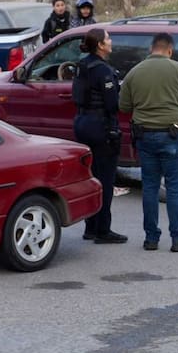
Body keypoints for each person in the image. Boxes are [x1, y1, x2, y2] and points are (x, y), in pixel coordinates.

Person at [118, 32, 178, 252]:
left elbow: (124, 107)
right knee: (174, 188)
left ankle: (151, 238)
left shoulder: (134, 73)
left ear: (151, 49)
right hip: (172, 135)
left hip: (145, 136)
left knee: (150, 187)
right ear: (170, 50)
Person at [72, 28, 127, 244]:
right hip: (100, 127)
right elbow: (113, 104)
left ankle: (90, 227)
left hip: (82, 123)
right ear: (101, 45)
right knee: (104, 179)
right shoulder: (103, 71)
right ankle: (103, 230)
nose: (111, 41)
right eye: (108, 38)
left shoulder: (83, 65)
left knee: (90, 177)